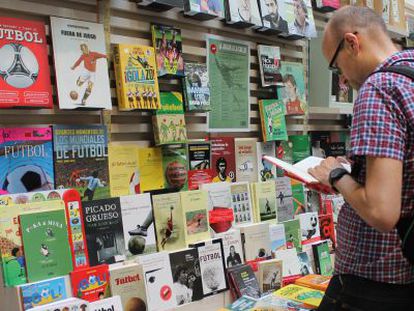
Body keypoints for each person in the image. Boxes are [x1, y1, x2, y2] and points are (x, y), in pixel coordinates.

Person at [308, 6, 414, 310]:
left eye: (336, 66)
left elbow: (382, 211)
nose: (342, 78)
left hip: (376, 277)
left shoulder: (379, 88)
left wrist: (336, 176)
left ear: (352, 43)